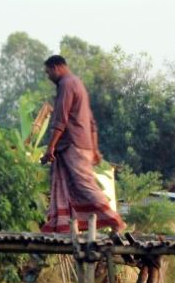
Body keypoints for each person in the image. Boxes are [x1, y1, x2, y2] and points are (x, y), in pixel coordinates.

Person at [39, 55, 125, 233]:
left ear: (57, 68)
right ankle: (63, 226)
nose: (48, 77)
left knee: (84, 185)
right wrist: (94, 148)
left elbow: (60, 119)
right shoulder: (78, 84)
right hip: (81, 144)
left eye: (48, 72)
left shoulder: (66, 84)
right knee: (67, 186)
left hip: (72, 144)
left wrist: (50, 147)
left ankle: (115, 220)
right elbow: (91, 122)